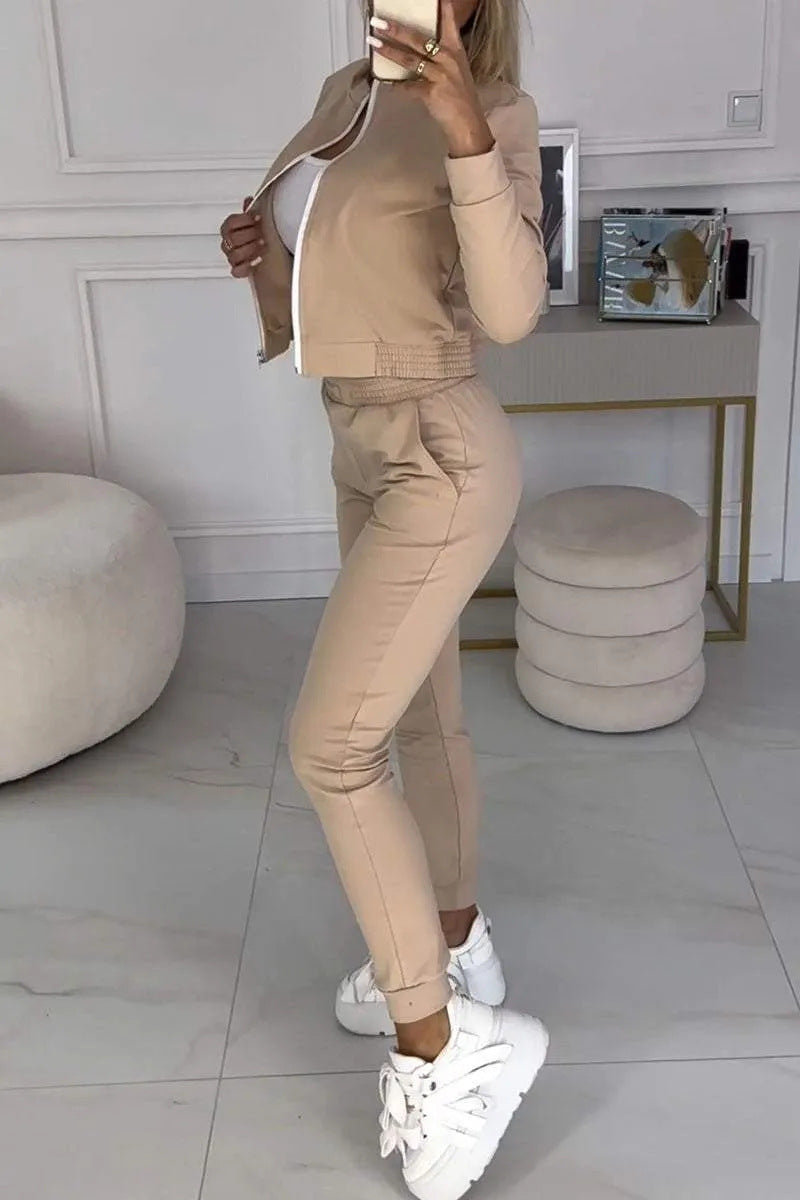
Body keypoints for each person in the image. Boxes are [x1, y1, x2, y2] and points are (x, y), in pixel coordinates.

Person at [220, 2, 548, 1195]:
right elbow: (341, 274)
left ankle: (446, 1047)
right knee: (414, 713)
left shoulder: (494, 111)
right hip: (359, 440)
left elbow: (509, 311)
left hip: (439, 452)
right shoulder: (342, 94)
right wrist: (267, 259)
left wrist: (463, 127)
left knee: (329, 747)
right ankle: (452, 941)